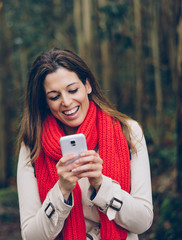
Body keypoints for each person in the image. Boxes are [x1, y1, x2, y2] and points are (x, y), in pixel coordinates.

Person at [17, 48, 153, 240]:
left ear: (87, 85)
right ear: (44, 102)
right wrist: (62, 190)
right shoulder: (32, 146)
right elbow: (31, 236)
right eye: (54, 96)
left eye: (73, 90)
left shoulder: (128, 132)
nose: (66, 101)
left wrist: (101, 184)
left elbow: (143, 221)